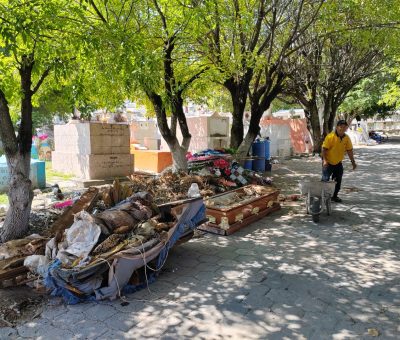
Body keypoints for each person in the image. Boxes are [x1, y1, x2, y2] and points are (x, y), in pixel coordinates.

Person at [321, 120, 357, 203]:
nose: (343, 129)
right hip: (328, 162)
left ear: (347, 128)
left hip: (338, 163)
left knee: (338, 181)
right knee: (325, 180)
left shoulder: (346, 138)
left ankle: (334, 196)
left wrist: (353, 162)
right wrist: (325, 161)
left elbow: (349, 150)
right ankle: (322, 196)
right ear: (337, 127)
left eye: (345, 127)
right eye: (341, 127)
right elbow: (324, 149)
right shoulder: (330, 136)